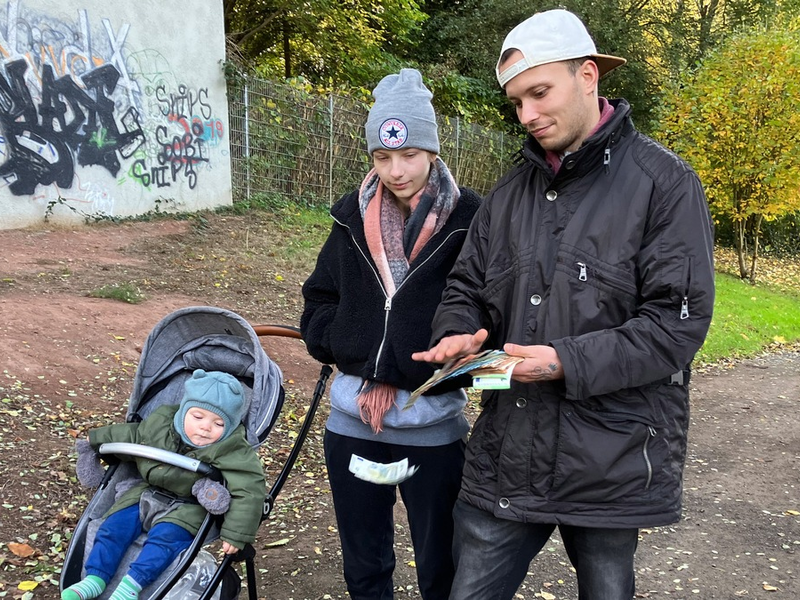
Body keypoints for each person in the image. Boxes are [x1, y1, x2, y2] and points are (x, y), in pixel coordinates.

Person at [412, 9, 715, 600]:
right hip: (507, 453)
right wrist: (460, 330)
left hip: (611, 460)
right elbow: (466, 287)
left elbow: (675, 325)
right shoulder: (506, 195)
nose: (527, 115)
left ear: (588, 75)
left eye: (539, 93)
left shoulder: (665, 183)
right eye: (516, 102)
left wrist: (563, 361)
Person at [300, 68, 481, 599]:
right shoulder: (348, 219)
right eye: (382, 157)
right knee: (364, 563)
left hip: (433, 431)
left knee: (440, 566)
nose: (396, 171)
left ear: (432, 151)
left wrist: (405, 366)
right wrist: (350, 350)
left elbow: (490, 308)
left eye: (409, 155)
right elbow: (319, 299)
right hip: (353, 425)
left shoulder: (472, 220)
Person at [62, 369, 266, 600]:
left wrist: (236, 534)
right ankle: (95, 578)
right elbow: (132, 434)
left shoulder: (232, 448)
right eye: (197, 417)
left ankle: (130, 587)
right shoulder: (161, 423)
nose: (205, 427)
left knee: (165, 540)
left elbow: (249, 488)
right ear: (183, 412)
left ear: (229, 427)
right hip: (145, 493)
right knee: (113, 526)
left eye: (218, 423)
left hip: (188, 507)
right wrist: (96, 438)